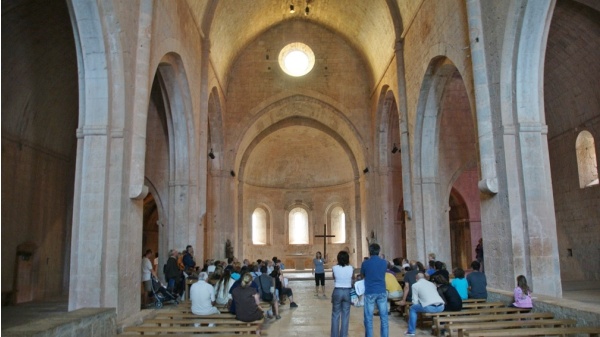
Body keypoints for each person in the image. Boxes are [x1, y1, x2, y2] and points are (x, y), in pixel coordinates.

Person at [361, 243, 388, 337]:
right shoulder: (384, 262)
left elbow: (363, 275)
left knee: (368, 318)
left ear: (369, 251)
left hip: (370, 291)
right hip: (381, 290)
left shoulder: (365, 263)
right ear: (378, 251)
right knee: (384, 317)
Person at [331, 250, 354, 337]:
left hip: (337, 290)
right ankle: (344, 335)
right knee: (345, 315)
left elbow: (334, 277)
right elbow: (353, 278)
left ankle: (334, 335)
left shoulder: (334, 268)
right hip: (347, 291)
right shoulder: (351, 268)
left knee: (335, 314)